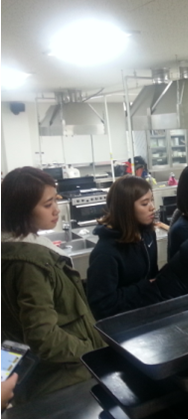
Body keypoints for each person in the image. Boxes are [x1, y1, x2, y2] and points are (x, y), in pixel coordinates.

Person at [1, 167, 104, 404]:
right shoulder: (30, 264)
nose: (56, 210)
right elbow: (43, 337)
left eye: (55, 201)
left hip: (31, 375)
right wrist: (90, 351)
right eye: (48, 205)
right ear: (22, 210)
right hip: (63, 378)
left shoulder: (10, 250)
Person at [86, 175, 160, 320]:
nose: (152, 207)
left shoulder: (148, 234)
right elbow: (102, 305)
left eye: (151, 200)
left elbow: (152, 275)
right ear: (126, 208)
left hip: (149, 314)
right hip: (124, 323)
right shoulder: (106, 253)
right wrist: (145, 286)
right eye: (145, 203)